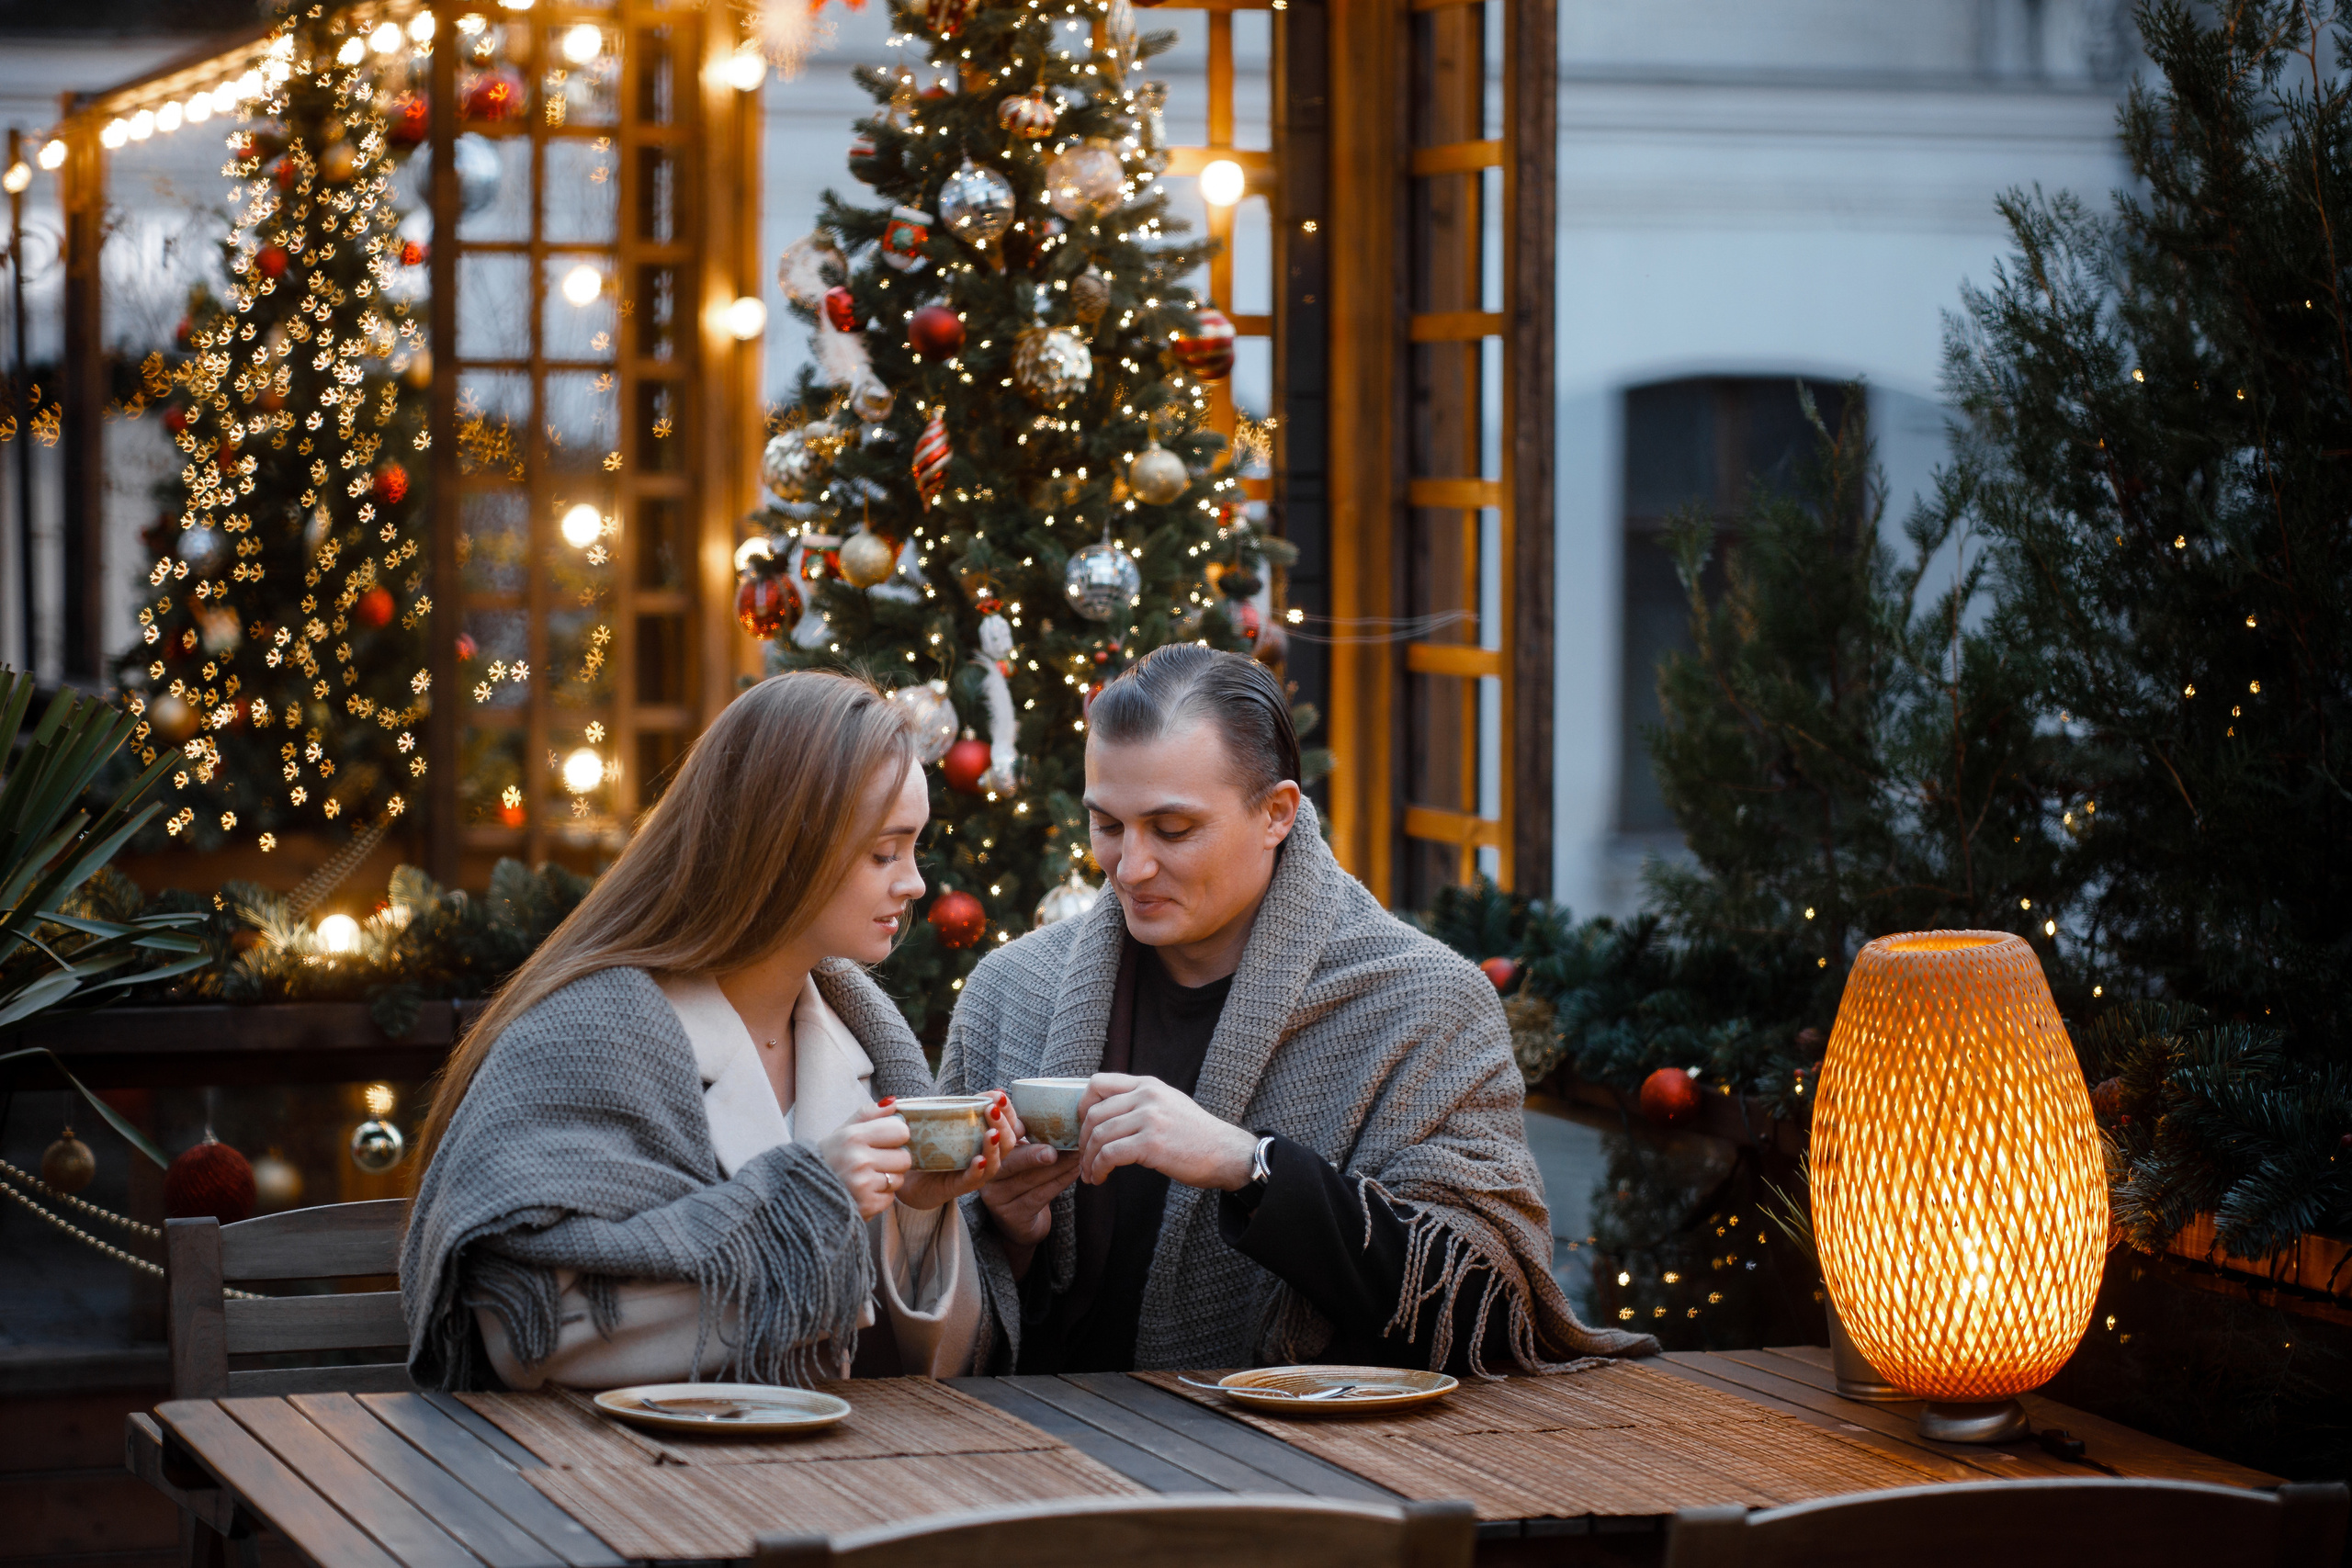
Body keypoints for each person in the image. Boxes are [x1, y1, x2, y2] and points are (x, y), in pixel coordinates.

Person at [939, 645, 1657, 1377]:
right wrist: (1007, 1233)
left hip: (1314, 1471)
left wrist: (1251, 1167)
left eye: (1173, 829)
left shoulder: (1426, 1004)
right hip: (1035, 1457)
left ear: (1277, 813)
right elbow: (917, 1290)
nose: (1131, 867)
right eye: (1108, 826)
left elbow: (1486, 1307)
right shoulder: (1011, 990)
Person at [401, 671, 1015, 1390]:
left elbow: (931, 1369)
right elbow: (525, 1334)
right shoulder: (589, 1035)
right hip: (606, 1482)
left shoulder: (868, 1038)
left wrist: (918, 1210)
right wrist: (806, 1199)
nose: (914, 883)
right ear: (784, 846)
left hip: (835, 1476)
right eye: (886, 851)